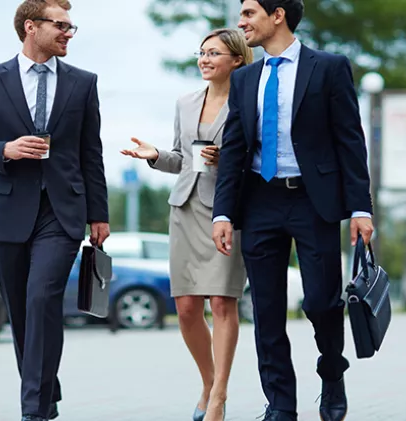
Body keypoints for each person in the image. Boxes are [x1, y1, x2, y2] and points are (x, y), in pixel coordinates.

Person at [211, 1, 374, 420]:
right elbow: (233, 149)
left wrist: (360, 207)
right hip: (260, 200)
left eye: (249, 13)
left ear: (277, 15)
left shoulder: (329, 68)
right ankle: (280, 404)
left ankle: (332, 372)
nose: (241, 22)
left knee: (321, 301)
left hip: (312, 200)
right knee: (266, 311)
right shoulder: (245, 78)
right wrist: (223, 213)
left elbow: (350, 141)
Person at [0, 1, 109, 420]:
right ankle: (45, 387)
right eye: (61, 25)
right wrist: (4, 148)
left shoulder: (83, 83)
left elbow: (90, 152)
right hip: (8, 211)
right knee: (21, 312)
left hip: (63, 212)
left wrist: (100, 214)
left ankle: (34, 411)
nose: (68, 33)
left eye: (72, 27)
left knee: (42, 299)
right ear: (30, 27)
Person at [121, 28, 253, 421]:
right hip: (184, 206)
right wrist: (154, 155)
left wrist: (226, 160)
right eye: (202, 53)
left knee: (221, 303)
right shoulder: (185, 102)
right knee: (186, 308)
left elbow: (257, 158)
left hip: (226, 212)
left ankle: (218, 398)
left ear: (237, 60)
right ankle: (209, 381)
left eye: (214, 53)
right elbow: (182, 158)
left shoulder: (248, 103)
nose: (205, 59)